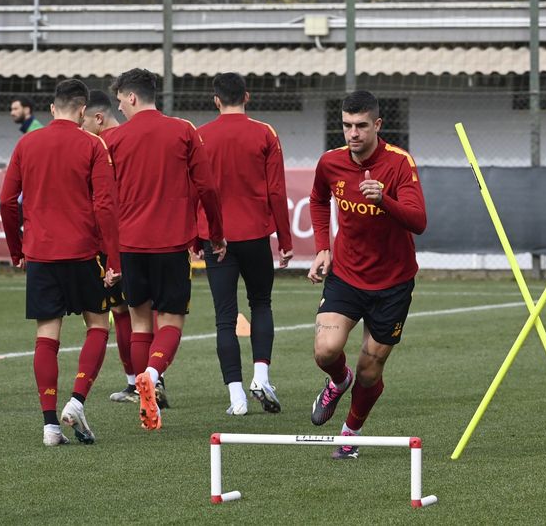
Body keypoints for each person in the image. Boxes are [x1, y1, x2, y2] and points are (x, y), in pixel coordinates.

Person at [0, 79, 123, 446]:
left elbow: (7, 201)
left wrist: (17, 249)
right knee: (98, 326)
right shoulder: (93, 144)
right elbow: (105, 205)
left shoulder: (27, 143)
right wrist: (114, 258)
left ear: (53, 109)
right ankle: (77, 401)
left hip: (41, 253)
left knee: (46, 335)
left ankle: (50, 426)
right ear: (83, 110)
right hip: (84, 252)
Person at [307, 90, 426, 459]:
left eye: (360, 125)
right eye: (347, 125)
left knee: (370, 370)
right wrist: (322, 248)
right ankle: (338, 380)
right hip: (346, 274)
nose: (353, 133)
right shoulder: (330, 162)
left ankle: (350, 433)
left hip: (393, 282)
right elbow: (317, 199)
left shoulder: (399, 163)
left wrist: (384, 200)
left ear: (377, 125)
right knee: (326, 350)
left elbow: (419, 221)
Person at [106, 68, 226, 430]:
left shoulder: (113, 139)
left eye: (120, 101)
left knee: (140, 322)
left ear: (131, 97)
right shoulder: (183, 130)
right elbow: (207, 188)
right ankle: (153, 375)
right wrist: (215, 233)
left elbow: (105, 200)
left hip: (130, 244)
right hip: (171, 244)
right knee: (171, 321)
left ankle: (143, 389)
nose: (119, 108)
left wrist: (111, 253)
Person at [197, 73, 293, 416]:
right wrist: (285, 240)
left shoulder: (200, 135)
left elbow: (194, 190)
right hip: (254, 234)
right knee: (261, 304)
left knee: (225, 317)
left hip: (216, 238)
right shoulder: (265, 133)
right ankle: (261, 378)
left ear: (216, 100)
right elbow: (276, 191)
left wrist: (195, 236)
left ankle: (236, 396)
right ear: (247, 96)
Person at [80, 89, 141, 403]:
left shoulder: (101, 145)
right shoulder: (135, 138)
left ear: (99, 118)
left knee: (123, 312)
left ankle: (139, 382)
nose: (82, 129)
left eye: (84, 123)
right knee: (139, 312)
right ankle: (146, 380)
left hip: (114, 241)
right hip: (142, 236)